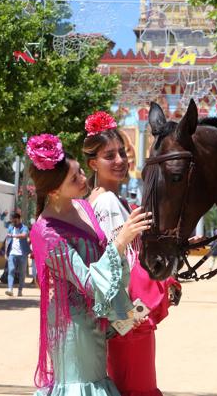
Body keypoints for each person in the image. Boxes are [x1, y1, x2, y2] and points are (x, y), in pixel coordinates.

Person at [27, 133, 152, 396]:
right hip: (73, 327)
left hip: (97, 320)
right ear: (53, 190)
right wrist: (121, 241)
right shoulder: (46, 233)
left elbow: (103, 262)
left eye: (81, 173)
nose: (84, 179)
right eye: (75, 179)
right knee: (82, 386)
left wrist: (126, 314)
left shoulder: (84, 207)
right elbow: (88, 282)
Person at [83, 111, 180, 396]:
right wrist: (127, 315)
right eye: (109, 156)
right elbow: (121, 260)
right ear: (93, 163)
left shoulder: (102, 200)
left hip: (121, 314)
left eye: (122, 153)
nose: (120, 161)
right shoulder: (110, 202)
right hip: (129, 314)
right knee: (137, 387)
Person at [5, 212, 31, 297]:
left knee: (22, 273)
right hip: (12, 253)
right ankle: (10, 289)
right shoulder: (10, 228)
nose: (14, 223)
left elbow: (24, 235)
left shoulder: (24, 227)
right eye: (12, 221)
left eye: (15, 221)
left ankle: (20, 290)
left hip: (22, 254)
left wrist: (13, 235)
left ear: (19, 219)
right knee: (11, 270)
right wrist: (6, 252)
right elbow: (7, 240)